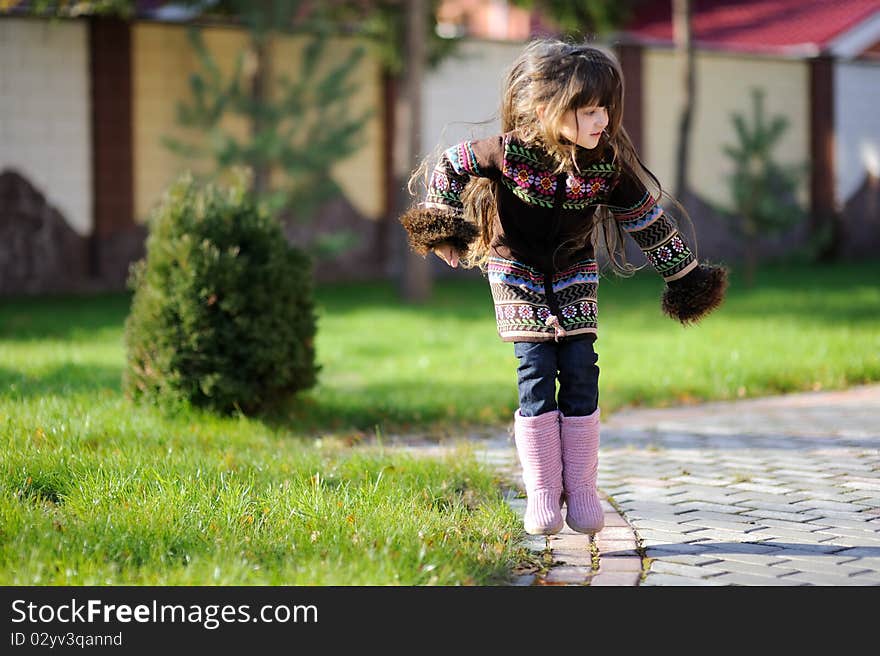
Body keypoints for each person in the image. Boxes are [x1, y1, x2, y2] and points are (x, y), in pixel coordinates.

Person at [400, 38, 728, 536]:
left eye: (606, 111)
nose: (603, 122)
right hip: (514, 269)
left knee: (579, 370)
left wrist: (685, 276)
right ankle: (542, 493)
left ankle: (582, 490)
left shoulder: (607, 165)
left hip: (574, 269)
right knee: (535, 369)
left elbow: (646, 219)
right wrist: (444, 226)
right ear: (546, 109)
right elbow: (450, 164)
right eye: (590, 111)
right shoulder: (508, 152)